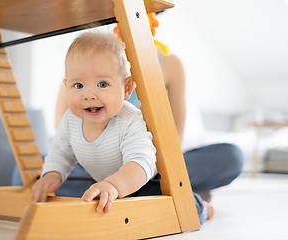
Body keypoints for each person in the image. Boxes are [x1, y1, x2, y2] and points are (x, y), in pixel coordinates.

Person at [31, 30, 212, 223]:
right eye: (78, 86)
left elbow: (141, 163)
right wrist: (51, 175)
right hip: (103, 182)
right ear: (66, 86)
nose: (89, 95)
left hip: (144, 183)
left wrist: (113, 185)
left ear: (126, 89)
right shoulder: (70, 121)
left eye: (102, 84)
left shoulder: (130, 120)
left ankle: (202, 206)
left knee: (179, 207)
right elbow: (60, 153)